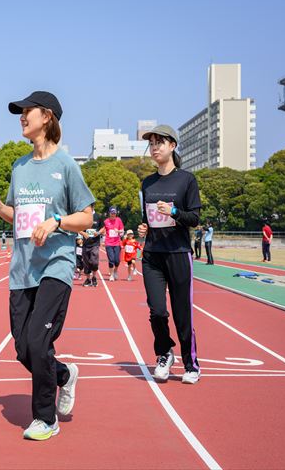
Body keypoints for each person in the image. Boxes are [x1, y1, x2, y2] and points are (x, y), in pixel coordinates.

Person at [0, 91, 94, 440]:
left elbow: (87, 217)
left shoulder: (66, 165)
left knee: (38, 340)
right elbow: (18, 217)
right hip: (22, 270)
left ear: (47, 117)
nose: (21, 116)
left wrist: (56, 221)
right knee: (23, 349)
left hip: (56, 265)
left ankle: (46, 418)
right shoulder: (19, 167)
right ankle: (64, 375)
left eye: (27, 111)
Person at [138, 124, 201, 385]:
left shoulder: (186, 180)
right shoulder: (147, 183)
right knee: (157, 311)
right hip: (152, 254)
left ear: (172, 146)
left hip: (178, 253)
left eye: (159, 143)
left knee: (182, 313)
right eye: (151, 143)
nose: (154, 148)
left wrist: (174, 212)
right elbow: (147, 218)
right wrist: (143, 227)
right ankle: (164, 353)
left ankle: (191, 364)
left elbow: (194, 218)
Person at [80, 209, 104, 287]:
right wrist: (83, 233)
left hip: (95, 243)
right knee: (86, 262)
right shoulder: (83, 217)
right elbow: (78, 228)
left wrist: (98, 233)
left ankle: (94, 277)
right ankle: (88, 279)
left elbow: (103, 228)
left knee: (94, 261)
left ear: (92, 207)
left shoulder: (98, 216)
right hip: (86, 244)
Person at [103, 206, 124, 281]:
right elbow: (103, 231)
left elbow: (122, 231)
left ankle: (115, 271)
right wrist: (103, 238)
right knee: (111, 260)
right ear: (109, 213)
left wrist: (118, 231)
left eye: (114, 213)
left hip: (117, 243)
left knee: (117, 260)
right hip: (108, 243)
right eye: (112, 213)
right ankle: (111, 275)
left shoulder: (119, 220)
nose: (113, 215)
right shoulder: (106, 221)